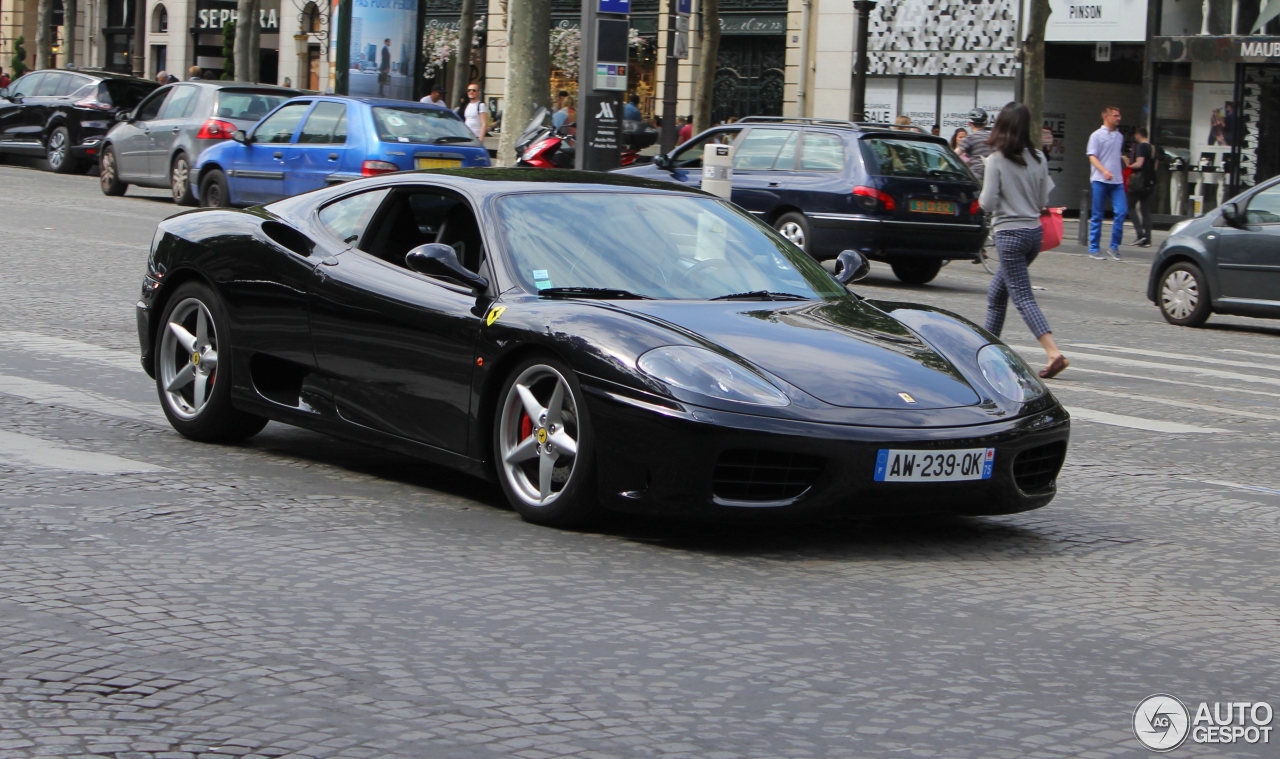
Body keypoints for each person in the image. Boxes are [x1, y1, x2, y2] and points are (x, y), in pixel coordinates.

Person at [980, 102, 1068, 380]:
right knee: (997, 294)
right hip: (1034, 234)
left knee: (1022, 297)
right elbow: (1043, 200)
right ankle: (986, 349)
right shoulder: (1039, 157)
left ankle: (1053, 352)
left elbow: (988, 202)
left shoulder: (995, 160)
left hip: (1009, 235)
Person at [1086, 106, 1127, 260]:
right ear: (1106, 117)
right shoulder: (1096, 136)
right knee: (1097, 214)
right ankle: (1094, 248)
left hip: (1117, 181)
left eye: (1119, 115)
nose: (1119, 118)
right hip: (1099, 180)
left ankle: (1114, 246)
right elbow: (1092, 156)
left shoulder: (1119, 136)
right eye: (1115, 115)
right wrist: (1103, 171)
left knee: (1121, 211)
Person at [1123, 127, 1156, 247]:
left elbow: (1139, 163)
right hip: (1151, 182)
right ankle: (1147, 239)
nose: (1135, 137)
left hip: (1139, 182)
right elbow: (1154, 166)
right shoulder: (1153, 147)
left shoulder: (1141, 146)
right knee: (1146, 211)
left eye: (1136, 135)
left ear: (1139, 135)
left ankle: (1140, 235)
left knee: (1130, 206)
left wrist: (1128, 163)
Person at [957, 109, 992, 183]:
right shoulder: (992, 137)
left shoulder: (970, 138)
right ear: (985, 124)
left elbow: (954, 155)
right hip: (992, 174)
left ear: (970, 123)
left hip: (977, 176)